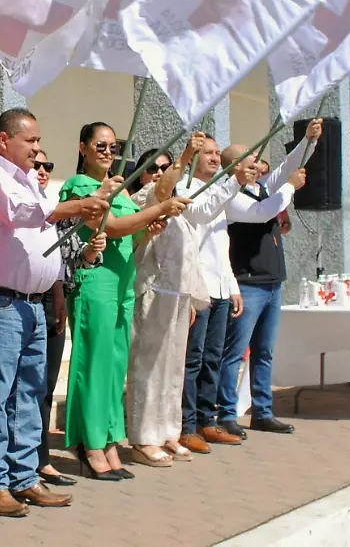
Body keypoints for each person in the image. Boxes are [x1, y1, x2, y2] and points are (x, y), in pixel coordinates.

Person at [0, 108, 112, 517]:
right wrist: (78, 205)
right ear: (3, 142)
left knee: (30, 393)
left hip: (34, 303)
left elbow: (47, 232)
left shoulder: (31, 182)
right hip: (1, 301)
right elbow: (20, 214)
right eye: (29, 141)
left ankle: (24, 476)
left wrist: (85, 215)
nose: (37, 149)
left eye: (38, 141)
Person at [61, 122, 189, 482]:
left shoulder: (119, 190)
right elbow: (113, 227)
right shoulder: (80, 186)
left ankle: (108, 438)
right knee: (95, 364)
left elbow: (124, 240)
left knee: (117, 365)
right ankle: (89, 443)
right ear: (83, 147)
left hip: (122, 281)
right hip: (96, 282)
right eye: (100, 145)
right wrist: (160, 206)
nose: (107, 151)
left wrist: (147, 230)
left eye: (113, 146)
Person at [126, 134, 258, 466]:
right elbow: (190, 208)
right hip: (153, 295)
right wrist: (186, 155)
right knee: (149, 369)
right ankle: (144, 437)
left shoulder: (178, 200)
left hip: (179, 297)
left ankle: (168, 431)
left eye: (166, 167)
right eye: (154, 168)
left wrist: (194, 299)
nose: (161, 173)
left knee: (172, 370)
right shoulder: (148, 199)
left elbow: (194, 253)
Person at [217, 119, 322, 437]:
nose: (256, 164)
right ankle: (226, 413)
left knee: (264, 351)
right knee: (234, 353)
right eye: (248, 161)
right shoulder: (230, 196)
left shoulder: (260, 187)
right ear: (235, 167)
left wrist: (308, 141)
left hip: (272, 282)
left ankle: (262, 411)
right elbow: (262, 212)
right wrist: (291, 186)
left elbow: (286, 169)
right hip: (248, 283)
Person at [31, 149, 105, 487]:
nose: (43, 170)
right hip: (18, 297)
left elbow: (70, 262)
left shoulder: (55, 212)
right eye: (36, 165)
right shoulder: (23, 206)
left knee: (45, 385)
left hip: (51, 297)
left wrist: (91, 251)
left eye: (48, 165)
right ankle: (19, 462)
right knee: (24, 387)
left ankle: (40, 458)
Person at [172, 135, 250, 453]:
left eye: (218, 153)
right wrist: (233, 182)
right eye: (208, 153)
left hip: (218, 286)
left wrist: (232, 286)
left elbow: (221, 247)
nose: (215, 158)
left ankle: (208, 419)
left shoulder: (219, 190)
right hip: (197, 287)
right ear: (193, 158)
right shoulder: (187, 188)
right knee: (192, 359)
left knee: (213, 358)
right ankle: (186, 425)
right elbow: (200, 212)